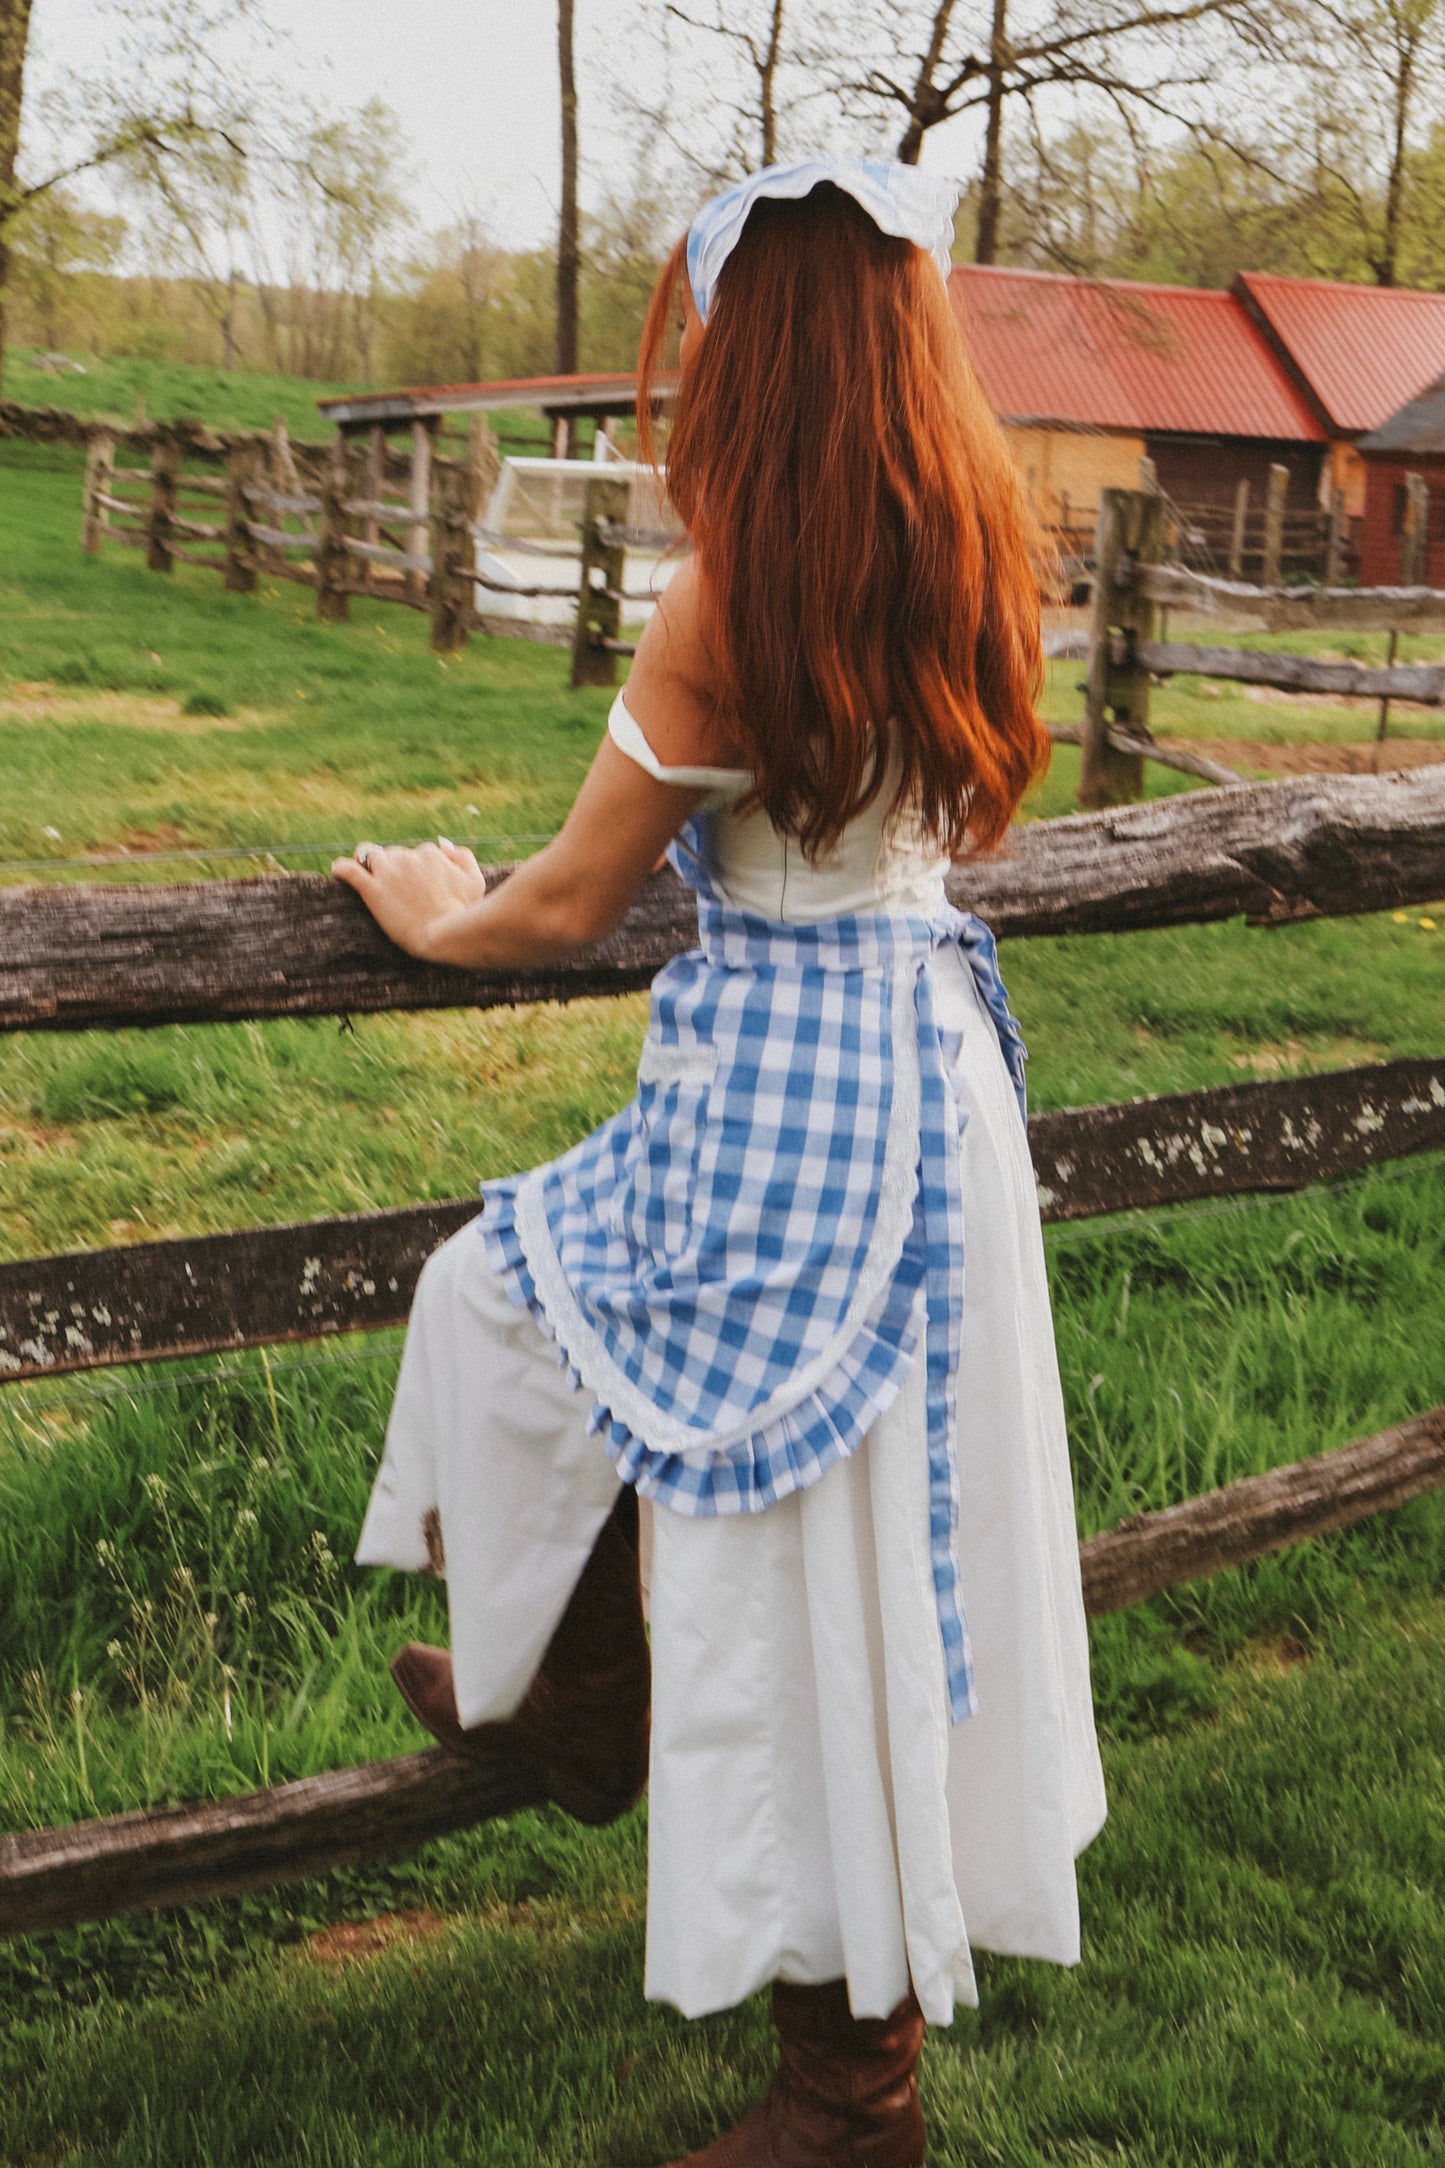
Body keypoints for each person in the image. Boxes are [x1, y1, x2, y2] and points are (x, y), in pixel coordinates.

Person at [334, 158, 1106, 2168]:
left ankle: (831, 2064)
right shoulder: (977, 545)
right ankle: (588, 1688)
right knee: (866, 1557)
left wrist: (436, 906)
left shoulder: (734, 592)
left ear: (750, 353)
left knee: (507, 1316)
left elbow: (570, 897)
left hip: (796, 1101)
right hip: (934, 1097)